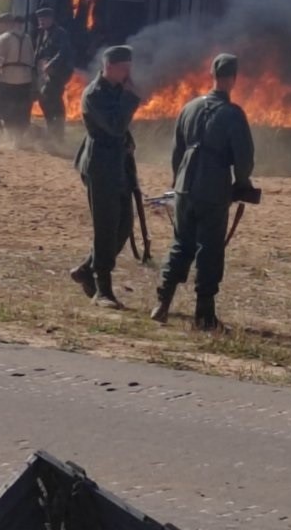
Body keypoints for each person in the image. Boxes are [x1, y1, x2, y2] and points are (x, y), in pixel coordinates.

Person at [153, 52, 256, 332]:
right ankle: (204, 315)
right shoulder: (233, 114)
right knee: (209, 250)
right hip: (213, 190)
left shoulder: (189, 108)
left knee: (181, 244)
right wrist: (242, 184)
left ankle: (162, 303)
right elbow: (244, 157)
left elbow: (176, 152)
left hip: (185, 187)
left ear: (212, 75)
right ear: (233, 78)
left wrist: (179, 182)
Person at [71, 45, 141, 308]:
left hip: (119, 165)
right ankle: (103, 291)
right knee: (105, 228)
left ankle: (87, 269)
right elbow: (114, 126)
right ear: (109, 66)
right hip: (100, 166)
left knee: (123, 226)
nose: (128, 73)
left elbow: (122, 131)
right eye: (124, 68)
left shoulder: (117, 90)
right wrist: (131, 99)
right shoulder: (95, 93)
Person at [0, 13, 36, 142]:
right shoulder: (27, 38)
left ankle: (9, 136)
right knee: (21, 110)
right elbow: (31, 59)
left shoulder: (3, 38)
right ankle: (19, 136)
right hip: (25, 80)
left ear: (7, 24)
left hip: (8, 80)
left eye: (0, 23)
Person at [34, 6, 75, 139]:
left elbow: (63, 52)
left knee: (52, 97)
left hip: (59, 72)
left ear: (51, 19)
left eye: (44, 19)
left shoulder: (60, 33)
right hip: (46, 72)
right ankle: (52, 127)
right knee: (44, 98)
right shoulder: (42, 33)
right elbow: (38, 52)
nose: (42, 22)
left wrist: (51, 64)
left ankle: (57, 132)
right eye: (40, 19)